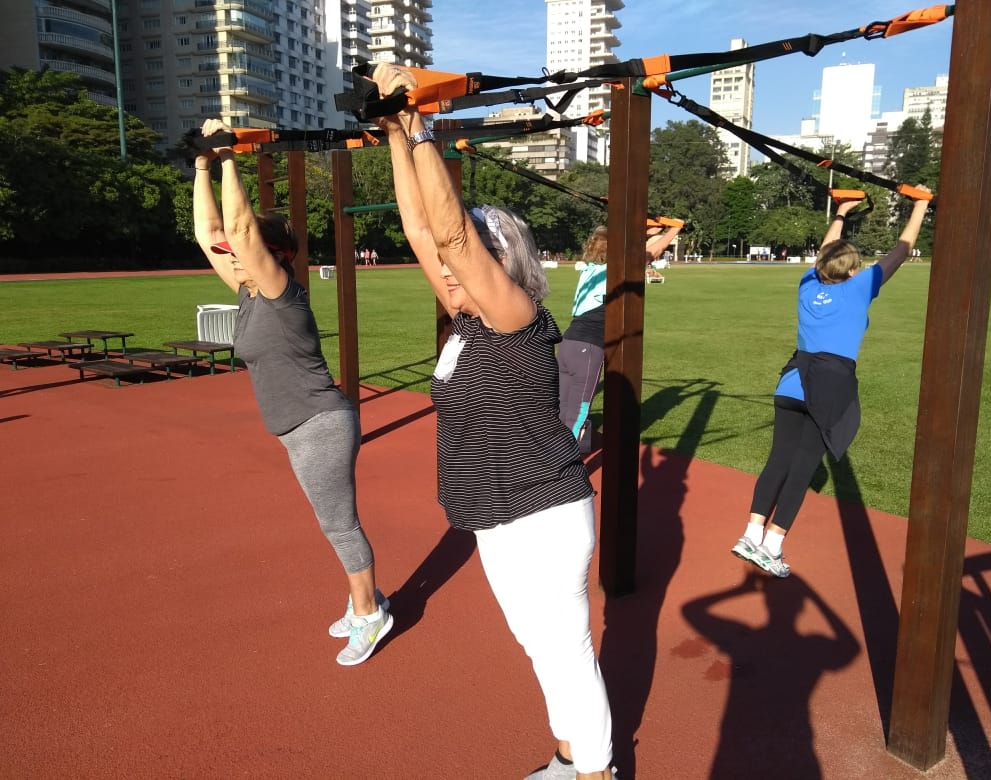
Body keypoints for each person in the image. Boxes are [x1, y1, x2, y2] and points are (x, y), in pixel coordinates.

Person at [370, 64, 615, 780]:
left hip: (543, 509)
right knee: (536, 644)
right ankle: (571, 758)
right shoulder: (464, 322)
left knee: (565, 648)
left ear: (503, 264)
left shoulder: (516, 318)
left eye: (470, 258)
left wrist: (421, 127)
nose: (448, 271)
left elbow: (449, 238)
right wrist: (394, 129)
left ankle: (597, 772)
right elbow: (422, 229)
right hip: (492, 513)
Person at [192, 119, 392, 665]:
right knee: (333, 522)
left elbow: (238, 227)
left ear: (275, 252)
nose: (229, 253)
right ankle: (365, 601)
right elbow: (210, 230)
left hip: (319, 424)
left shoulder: (281, 293)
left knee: (339, 524)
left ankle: (370, 615)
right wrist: (202, 164)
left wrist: (229, 155)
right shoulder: (249, 293)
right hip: (299, 426)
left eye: (243, 247)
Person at [731, 189, 931, 577]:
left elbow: (825, 252)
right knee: (804, 466)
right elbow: (902, 249)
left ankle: (750, 533)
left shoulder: (808, 284)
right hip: (828, 385)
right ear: (854, 270)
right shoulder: (858, 288)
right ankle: (771, 545)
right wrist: (920, 206)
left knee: (778, 461)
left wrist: (840, 212)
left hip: (791, 383)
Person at [558, 220, 682, 454]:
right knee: (577, 414)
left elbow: (629, 248)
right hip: (588, 349)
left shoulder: (590, 270)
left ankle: (550, 458)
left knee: (562, 410)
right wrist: (675, 229)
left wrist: (642, 230)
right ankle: (562, 470)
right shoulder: (613, 273)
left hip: (568, 344)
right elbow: (650, 253)